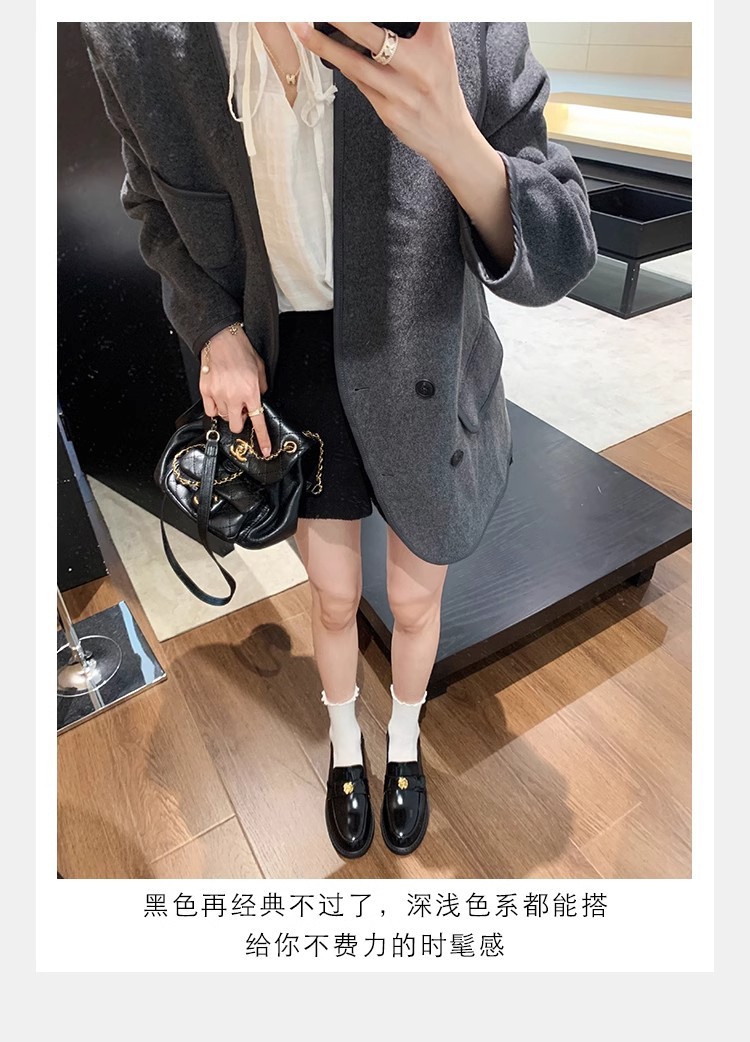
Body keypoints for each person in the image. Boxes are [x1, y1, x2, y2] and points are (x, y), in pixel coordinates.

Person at [81, 21, 597, 861]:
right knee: (330, 599)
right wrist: (212, 327)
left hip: (423, 360)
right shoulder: (137, 39)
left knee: (417, 601)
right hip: (294, 374)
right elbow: (153, 205)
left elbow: (565, 243)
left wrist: (454, 140)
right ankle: (345, 746)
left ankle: (405, 741)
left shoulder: (458, 23)